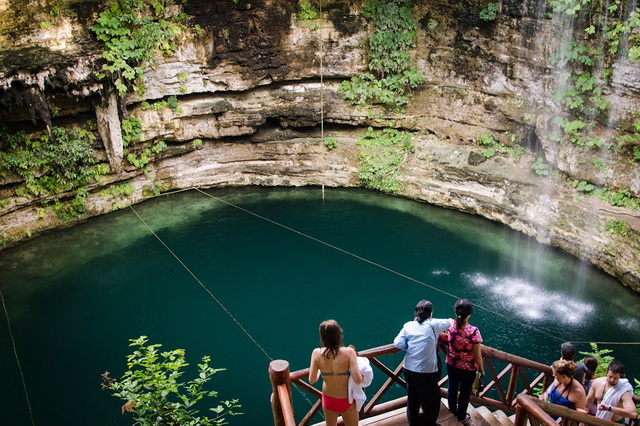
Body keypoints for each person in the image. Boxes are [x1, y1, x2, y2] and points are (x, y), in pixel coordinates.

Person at [393, 299, 450, 426]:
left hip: (408, 368)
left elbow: (397, 343)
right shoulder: (433, 324)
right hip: (425, 371)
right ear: (431, 313)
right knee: (432, 401)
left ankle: (413, 423)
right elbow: (451, 322)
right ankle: (428, 424)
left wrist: (411, 348)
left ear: (416, 313)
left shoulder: (408, 325)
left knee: (413, 398)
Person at [309, 319, 363, 426]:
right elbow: (358, 379)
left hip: (329, 399)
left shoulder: (316, 353)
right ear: (338, 334)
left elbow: (312, 380)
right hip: (346, 398)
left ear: (322, 336)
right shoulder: (349, 352)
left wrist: (321, 369)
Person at [444, 299, 484, 425]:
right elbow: (477, 355)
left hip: (451, 364)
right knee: (465, 392)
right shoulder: (473, 331)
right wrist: (481, 370)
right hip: (468, 368)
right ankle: (461, 416)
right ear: (470, 314)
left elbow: (434, 322)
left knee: (452, 387)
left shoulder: (450, 324)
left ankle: (452, 410)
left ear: (456, 312)